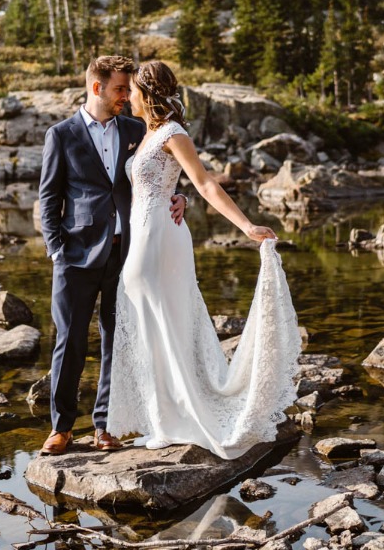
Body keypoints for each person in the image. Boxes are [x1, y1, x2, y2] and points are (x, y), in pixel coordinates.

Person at [106, 60, 301, 460]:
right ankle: (163, 420)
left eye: (134, 91)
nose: (128, 98)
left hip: (162, 236)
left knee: (167, 321)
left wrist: (245, 226)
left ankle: (181, 420)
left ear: (148, 93)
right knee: (147, 325)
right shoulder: (145, 133)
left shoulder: (173, 133)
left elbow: (205, 182)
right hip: (141, 235)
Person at [37, 56, 187, 456]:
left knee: (116, 340)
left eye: (128, 90)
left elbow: (163, 169)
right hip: (76, 255)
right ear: (97, 87)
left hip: (129, 251)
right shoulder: (61, 134)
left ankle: (105, 425)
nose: (127, 96)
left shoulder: (137, 128)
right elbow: (48, 198)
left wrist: (180, 195)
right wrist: (56, 250)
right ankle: (62, 428)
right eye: (121, 89)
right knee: (69, 341)